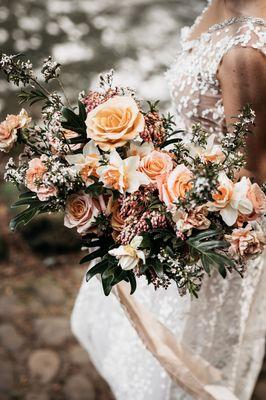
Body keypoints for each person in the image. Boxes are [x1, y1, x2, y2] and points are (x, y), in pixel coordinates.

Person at [71, 1, 266, 399]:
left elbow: (252, 175)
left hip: (206, 231)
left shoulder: (244, 52)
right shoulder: (221, 5)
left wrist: (163, 205)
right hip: (175, 184)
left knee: (184, 363)